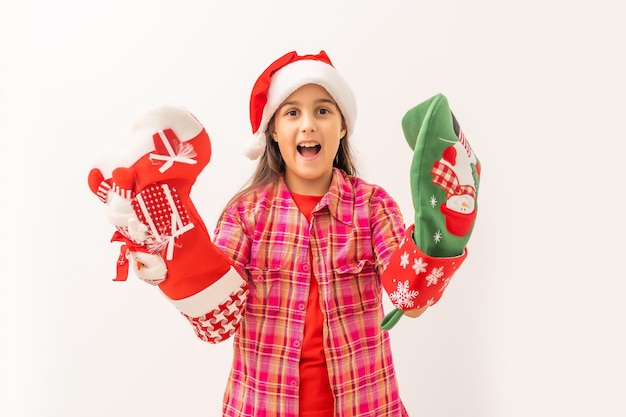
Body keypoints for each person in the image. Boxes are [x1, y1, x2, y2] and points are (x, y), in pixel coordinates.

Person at [87, 50, 476, 417]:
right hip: (261, 406)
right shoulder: (246, 214)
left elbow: (410, 299)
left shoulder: (373, 207)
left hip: (366, 404)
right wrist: (168, 258)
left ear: (342, 127)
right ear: (273, 131)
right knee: (202, 273)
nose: (308, 123)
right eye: (292, 112)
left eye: (323, 110)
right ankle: (167, 228)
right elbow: (216, 321)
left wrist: (442, 224)